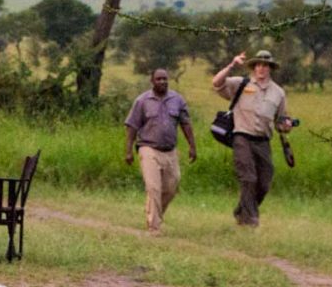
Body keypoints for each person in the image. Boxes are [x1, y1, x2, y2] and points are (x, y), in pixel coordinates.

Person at [212, 51, 293, 227]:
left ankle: (241, 211)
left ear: (270, 68)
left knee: (264, 182)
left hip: (263, 140)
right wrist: (231, 64)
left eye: (265, 65)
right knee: (248, 178)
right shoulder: (241, 84)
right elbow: (216, 83)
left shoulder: (278, 93)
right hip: (242, 137)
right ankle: (250, 221)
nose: (261, 68)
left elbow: (280, 120)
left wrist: (286, 126)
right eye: (258, 64)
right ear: (254, 67)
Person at [124, 68, 197, 234]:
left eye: (165, 79)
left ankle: (155, 213)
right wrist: (128, 151)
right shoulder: (142, 101)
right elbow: (132, 126)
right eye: (158, 79)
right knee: (153, 187)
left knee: (172, 187)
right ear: (152, 81)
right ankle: (154, 227)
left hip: (170, 151)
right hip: (148, 148)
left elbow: (186, 124)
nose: (162, 82)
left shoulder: (177, 100)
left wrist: (192, 146)